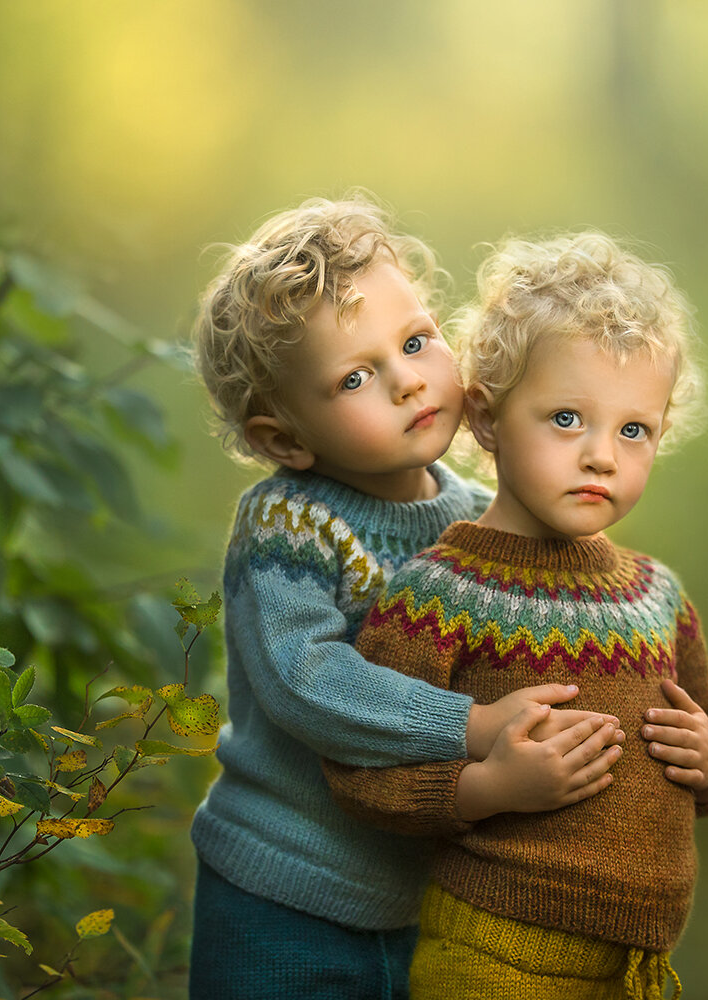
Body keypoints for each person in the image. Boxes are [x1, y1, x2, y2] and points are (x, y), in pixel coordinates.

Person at [187, 198, 625, 1000]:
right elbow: (306, 682)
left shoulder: (475, 517)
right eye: (355, 377)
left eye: (417, 341)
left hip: (425, 893)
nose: (408, 382)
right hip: (283, 891)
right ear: (285, 437)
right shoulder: (290, 523)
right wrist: (472, 726)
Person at [323, 232, 708, 999]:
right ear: (486, 418)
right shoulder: (442, 594)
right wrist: (488, 790)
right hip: (495, 951)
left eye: (633, 430)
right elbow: (359, 768)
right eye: (565, 419)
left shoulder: (659, 597)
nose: (601, 457)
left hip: (635, 967)